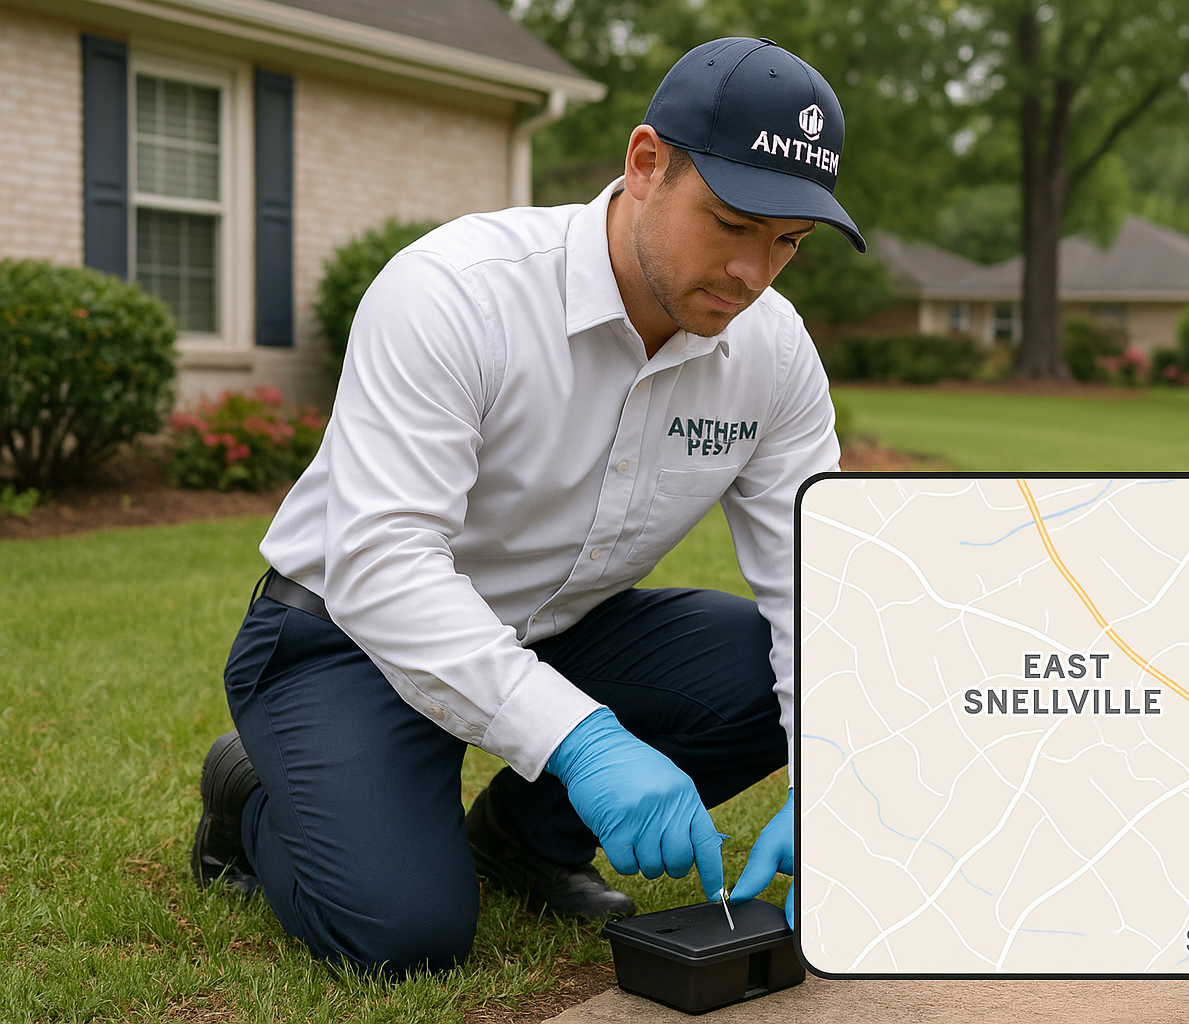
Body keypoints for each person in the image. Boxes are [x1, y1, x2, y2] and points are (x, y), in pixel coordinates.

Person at [188, 36, 864, 976]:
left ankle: (522, 841)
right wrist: (584, 742)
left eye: (787, 242)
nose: (754, 272)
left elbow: (817, 580)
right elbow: (384, 565)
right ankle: (249, 792)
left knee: (761, 668)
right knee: (403, 936)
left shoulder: (774, 353)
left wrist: (837, 779)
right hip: (347, 635)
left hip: (560, 627)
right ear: (645, 164)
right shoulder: (455, 293)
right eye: (732, 223)